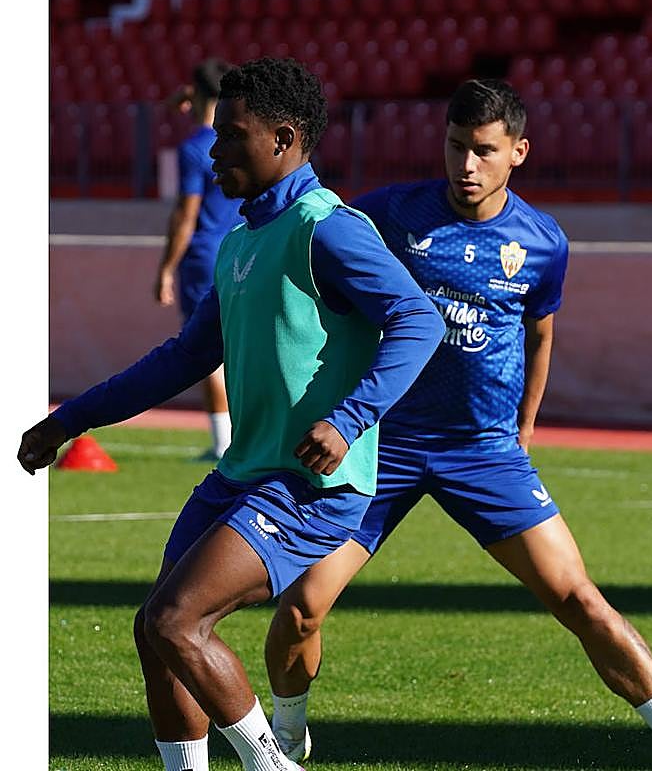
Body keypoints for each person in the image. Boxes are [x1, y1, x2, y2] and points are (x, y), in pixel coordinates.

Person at [263, 79, 652, 771]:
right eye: (457, 146)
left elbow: (541, 335)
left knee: (579, 599)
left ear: (517, 152)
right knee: (302, 604)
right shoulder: (385, 216)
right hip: (384, 445)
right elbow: (325, 290)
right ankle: (287, 737)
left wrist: (525, 427)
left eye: (485, 151)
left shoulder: (542, 242)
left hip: (483, 451)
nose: (467, 164)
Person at [20, 57, 445, 771]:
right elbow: (184, 357)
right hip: (244, 475)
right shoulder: (242, 240)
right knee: (157, 631)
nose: (213, 151)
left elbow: (418, 321)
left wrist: (348, 420)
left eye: (231, 136)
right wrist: (74, 417)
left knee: (177, 620)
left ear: (283, 139)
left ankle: (271, 763)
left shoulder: (327, 227)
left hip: (312, 489)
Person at [155, 57, 241, 458]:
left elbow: (186, 213)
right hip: (240, 251)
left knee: (207, 351)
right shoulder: (237, 140)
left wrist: (166, 268)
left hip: (204, 255)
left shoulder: (193, 149)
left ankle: (223, 444)